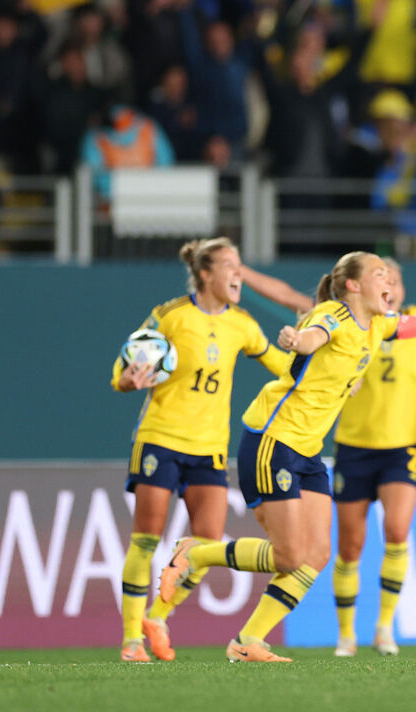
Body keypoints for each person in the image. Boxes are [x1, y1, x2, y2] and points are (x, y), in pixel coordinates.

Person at [158, 252, 416, 662]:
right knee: (291, 556)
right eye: (379, 274)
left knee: (317, 556)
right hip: (274, 439)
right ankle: (197, 553)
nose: (390, 283)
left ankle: (247, 642)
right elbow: (314, 336)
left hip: (307, 450)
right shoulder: (332, 315)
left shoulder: (380, 324)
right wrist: (297, 341)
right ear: (353, 286)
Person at [111, 237, 289, 662]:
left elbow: (282, 367)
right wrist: (126, 380)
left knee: (206, 542)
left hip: (210, 448)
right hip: (161, 438)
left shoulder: (242, 324)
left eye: (240, 264)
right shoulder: (171, 315)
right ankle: (132, 641)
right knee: (146, 539)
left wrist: (327, 374)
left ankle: (157, 617)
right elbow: (124, 366)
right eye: (229, 264)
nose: (237, 273)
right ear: (206, 273)